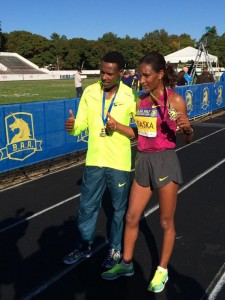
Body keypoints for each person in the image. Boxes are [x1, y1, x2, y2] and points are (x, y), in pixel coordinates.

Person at [101, 51, 194, 293]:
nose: (141, 80)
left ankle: (162, 270)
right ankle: (126, 264)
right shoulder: (141, 100)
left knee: (165, 221)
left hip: (165, 162)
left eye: (146, 75)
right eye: (140, 75)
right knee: (131, 217)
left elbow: (187, 139)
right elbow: (139, 134)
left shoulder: (175, 101)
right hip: (142, 160)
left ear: (160, 74)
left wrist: (187, 129)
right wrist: (117, 126)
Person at [63, 51, 138, 269]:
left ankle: (115, 248)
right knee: (87, 207)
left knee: (117, 210)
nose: (103, 77)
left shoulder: (131, 96)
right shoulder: (89, 92)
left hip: (119, 162)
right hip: (94, 160)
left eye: (109, 73)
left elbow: (138, 132)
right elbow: (81, 125)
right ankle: (84, 244)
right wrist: (72, 127)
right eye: (101, 72)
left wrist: (120, 127)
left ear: (121, 73)